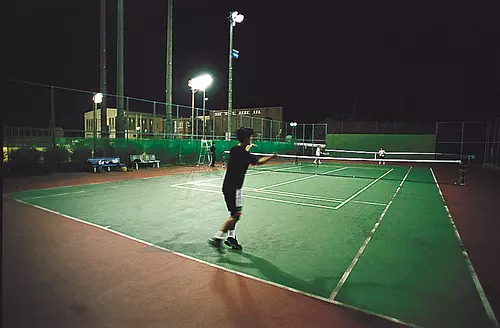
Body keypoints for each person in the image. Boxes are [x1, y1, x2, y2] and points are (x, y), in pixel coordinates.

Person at [208, 127, 277, 250]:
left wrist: (247, 148)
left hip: (227, 186)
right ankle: (217, 237)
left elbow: (243, 153)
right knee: (236, 215)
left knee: (233, 213)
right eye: (250, 136)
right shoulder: (245, 154)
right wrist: (272, 156)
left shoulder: (235, 150)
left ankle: (231, 237)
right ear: (246, 138)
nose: (252, 138)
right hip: (235, 189)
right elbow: (258, 162)